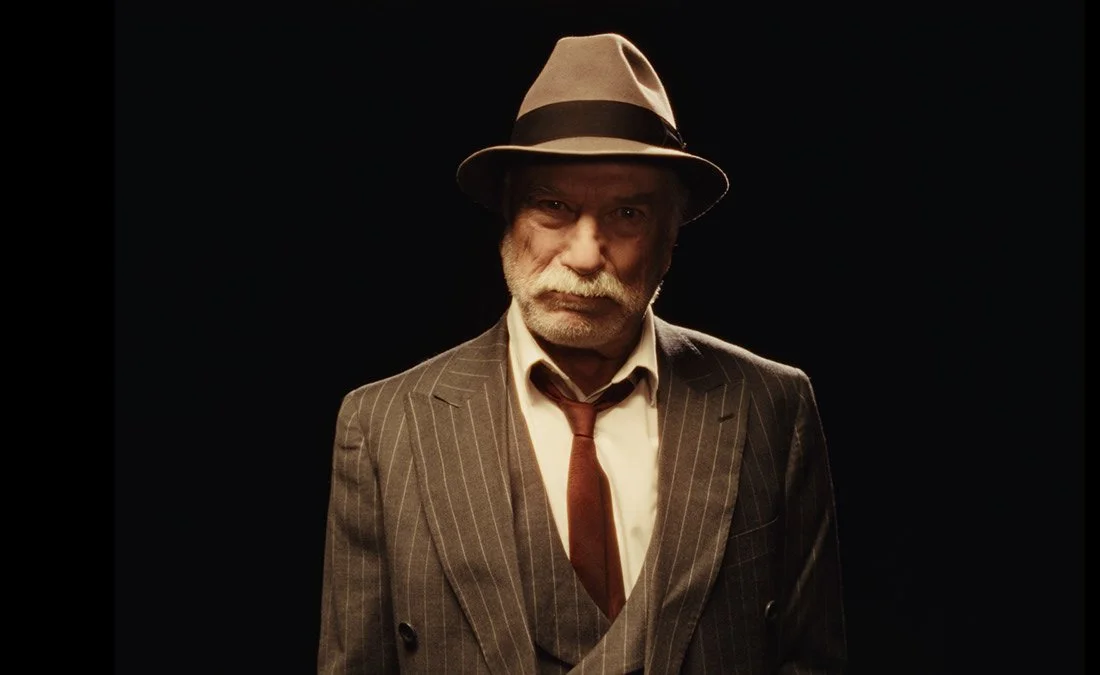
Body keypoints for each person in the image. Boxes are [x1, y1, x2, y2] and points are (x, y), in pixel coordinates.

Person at [317, 33, 847, 674]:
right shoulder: (382, 424)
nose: (586, 254)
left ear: (671, 237)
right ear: (508, 219)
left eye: (627, 213)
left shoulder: (771, 404)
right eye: (554, 207)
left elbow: (810, 659)